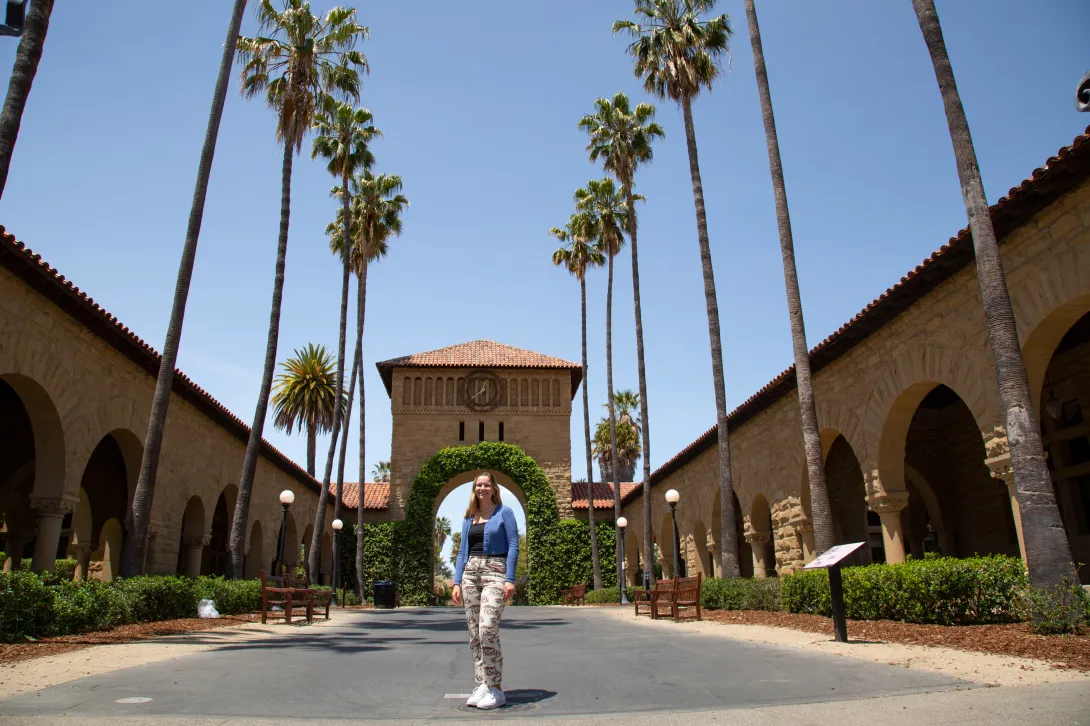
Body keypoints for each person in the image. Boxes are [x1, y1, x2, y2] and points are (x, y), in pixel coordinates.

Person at [451, 472, 519, 710]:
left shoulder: (505, 512)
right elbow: (462, 551)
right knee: (474, 634)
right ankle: (482, 684)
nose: (482, 488)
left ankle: (496, 688)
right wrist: (457, 581)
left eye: (486, 485)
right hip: (470, 574)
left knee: (487, 628)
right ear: (474, 489)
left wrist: (510, 579)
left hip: (496, 573)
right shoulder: (470, 515)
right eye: (479, 485)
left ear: (493, 488)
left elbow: (513, 545)